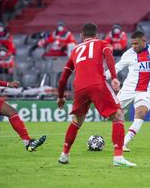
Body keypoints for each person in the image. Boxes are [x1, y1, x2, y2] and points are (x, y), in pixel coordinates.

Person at [57, 23, 136, 167]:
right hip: (97, 83)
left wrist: (60, 97)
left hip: (79, 88)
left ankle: (64, 155)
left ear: (82, 36)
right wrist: (114, 77)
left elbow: (63, 78)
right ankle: (118, 157)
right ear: (96, 35)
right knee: (118, 115)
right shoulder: (102, 43)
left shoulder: (75, 50)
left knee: (76, 121)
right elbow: (109, 56)